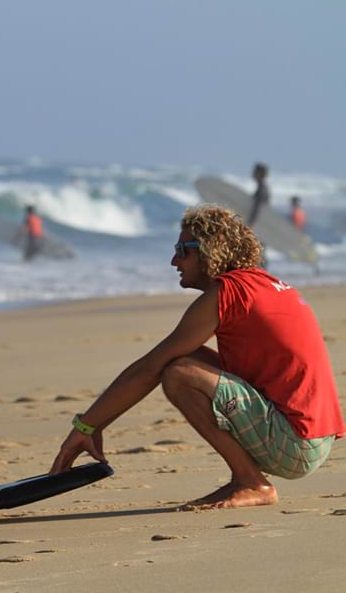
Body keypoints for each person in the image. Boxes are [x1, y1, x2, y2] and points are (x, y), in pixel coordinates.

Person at [50, 204, 343, 510]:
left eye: (182, 250)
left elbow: (149, 368)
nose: (174, 260)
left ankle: (251, 482)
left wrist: (85, 427)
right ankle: (249, 478)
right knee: (181, 356)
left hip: (294, 445)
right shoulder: (262, 283)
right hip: (312, 436)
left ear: (208, 251)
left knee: (179, 374)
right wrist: (95, 426)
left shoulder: (226, 293)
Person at [247, 162, 270, 226]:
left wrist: (249, 225)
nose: (253, 173)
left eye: (255, 171)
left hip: (256, 225)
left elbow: (257, 210)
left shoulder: (262, 190)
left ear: (260, 173)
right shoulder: (263, 188)